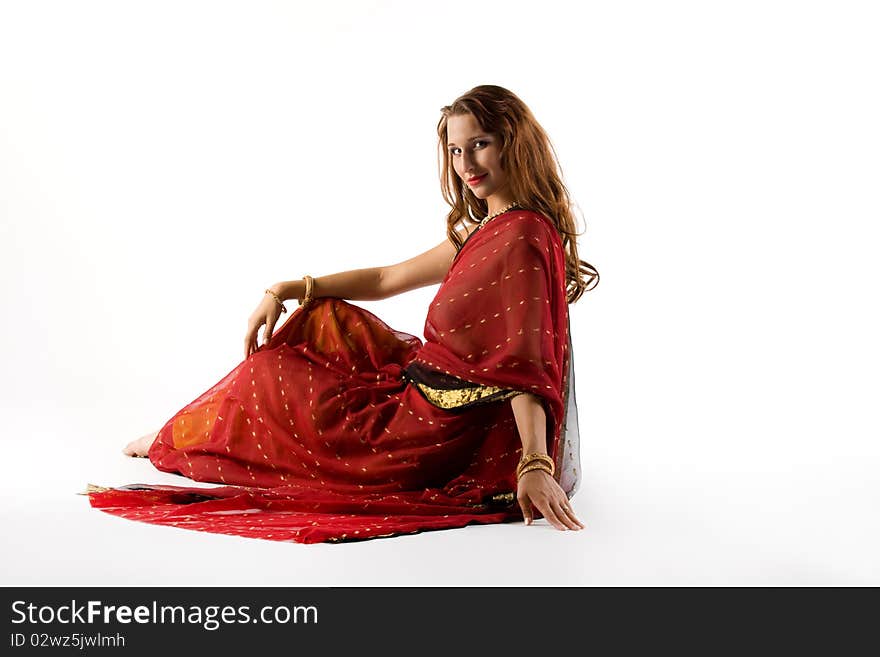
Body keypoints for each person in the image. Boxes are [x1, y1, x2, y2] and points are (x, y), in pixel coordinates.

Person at [87, 85, 599, 543]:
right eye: (456, 150)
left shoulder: (523, 235)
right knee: (324, 318)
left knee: (273, 376)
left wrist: (534, 461)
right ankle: (182, 435)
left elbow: (525, 362)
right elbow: (386, 279)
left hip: (439, 429)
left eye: (481, 144)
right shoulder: (484, 229)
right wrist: (291, 286)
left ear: (513, 141)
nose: (467, 164)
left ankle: (177, 439)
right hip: (424, 387)